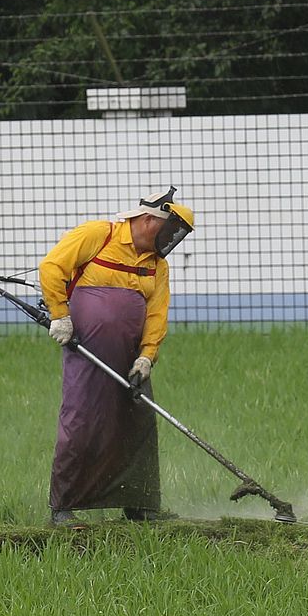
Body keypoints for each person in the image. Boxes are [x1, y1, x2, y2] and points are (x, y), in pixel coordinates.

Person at [38, 187, 195, 525]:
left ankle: (138, 505)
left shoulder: (158, 266)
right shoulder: (99, 235)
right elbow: (52, 267)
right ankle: (64, 508)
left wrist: (146, 357)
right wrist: (60, 315)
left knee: (136, 423)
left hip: (129, 358)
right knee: (81, 421)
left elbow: (157, 313)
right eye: (173, 231)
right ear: (151, 221)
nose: (174, 240)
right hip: (87, 350)